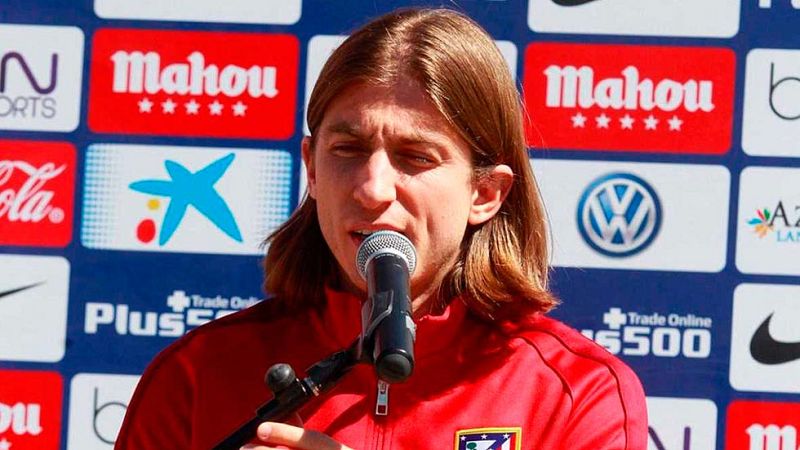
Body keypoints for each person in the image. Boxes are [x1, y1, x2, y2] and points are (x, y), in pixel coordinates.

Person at [115, 7, 647, 450]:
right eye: (347, 149)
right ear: (312, 169)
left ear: (486, 193)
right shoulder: (198, 373)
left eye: (416, 157)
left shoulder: (577, 392)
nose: (372, 189)